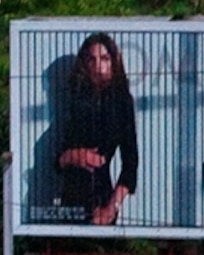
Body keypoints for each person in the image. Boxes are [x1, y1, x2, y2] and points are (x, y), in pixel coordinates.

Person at [36, 30, 137, 228]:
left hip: (103, 200)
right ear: (85, 65)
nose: (99, 66)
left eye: (105, 58)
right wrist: (74, 156)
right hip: (71, 201)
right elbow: (59, 160)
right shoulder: (76, 99)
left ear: (113, 62)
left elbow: (130, 165)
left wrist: (112, 207)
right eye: (92, 60)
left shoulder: (122, 102)